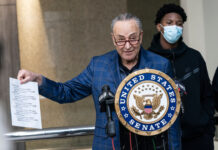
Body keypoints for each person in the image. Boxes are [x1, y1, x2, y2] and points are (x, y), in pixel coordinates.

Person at [17, 13, 180, 150]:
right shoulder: (98, 65)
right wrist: (39, 81)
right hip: (109, 144)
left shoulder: (160, 65)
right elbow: (67, 92)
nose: (127, 46)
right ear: (113, 39)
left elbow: (172, 115)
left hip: (149, 144)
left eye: (133, 39)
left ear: (141, 36)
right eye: (121, 40)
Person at [148, 3, 215, 150]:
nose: (175, 27)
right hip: (163, 140)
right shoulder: (148, 60)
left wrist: (207, 128)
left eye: (179, 24)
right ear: (159, 26)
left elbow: (207, 94)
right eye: (169, 23)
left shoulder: (194, 57)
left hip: (198, 139)